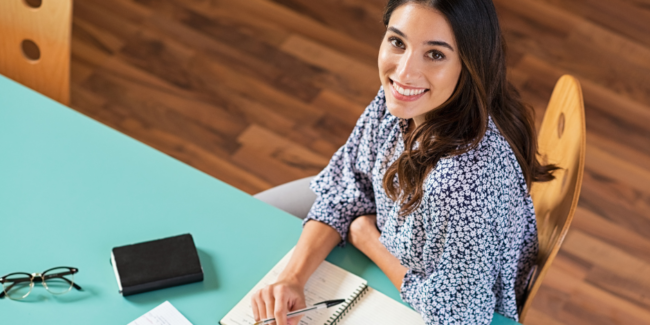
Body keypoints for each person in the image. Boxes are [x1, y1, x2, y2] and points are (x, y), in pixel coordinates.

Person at [251, 0, 557, 324]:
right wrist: (292, 278)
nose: (404, 72)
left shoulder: (463, 183)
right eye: (398, 42)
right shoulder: (401, 100)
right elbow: (347, 186)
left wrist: (368, 238)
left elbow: (456, 317)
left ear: (469, 65)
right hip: (400, 245)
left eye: (435, 54)